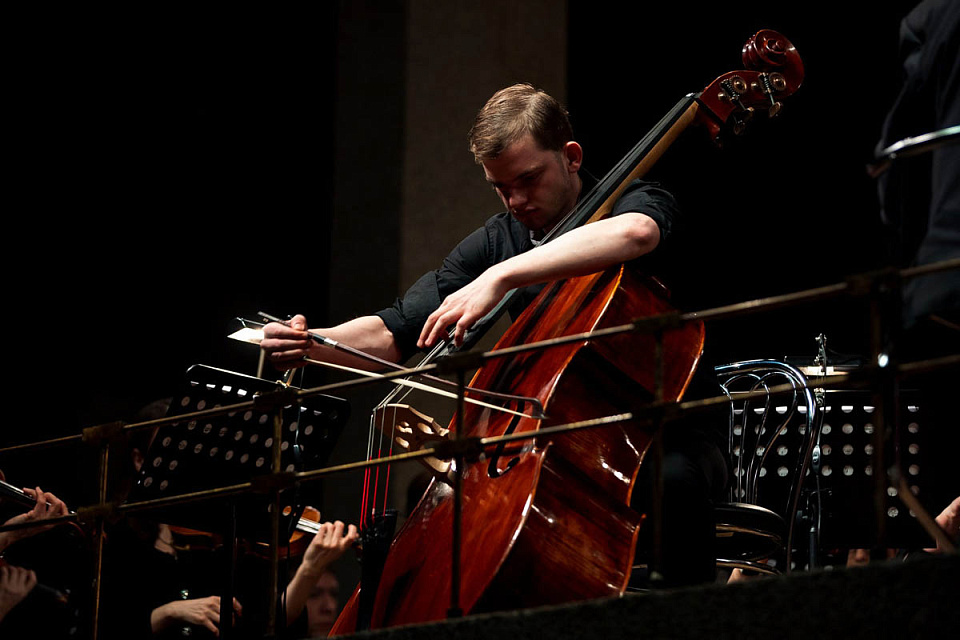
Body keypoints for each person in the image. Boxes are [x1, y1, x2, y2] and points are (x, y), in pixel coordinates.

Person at [261, 83, 727, 588]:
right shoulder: (496, 238)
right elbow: (397, 329)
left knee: (670, 483)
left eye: (529, 179)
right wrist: (317, 343)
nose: (517, 200)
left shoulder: (632, 195)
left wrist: (501, 276)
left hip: (664, 436)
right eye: (501, 188)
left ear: (570, 156)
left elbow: (636, 234)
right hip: (556, 446)